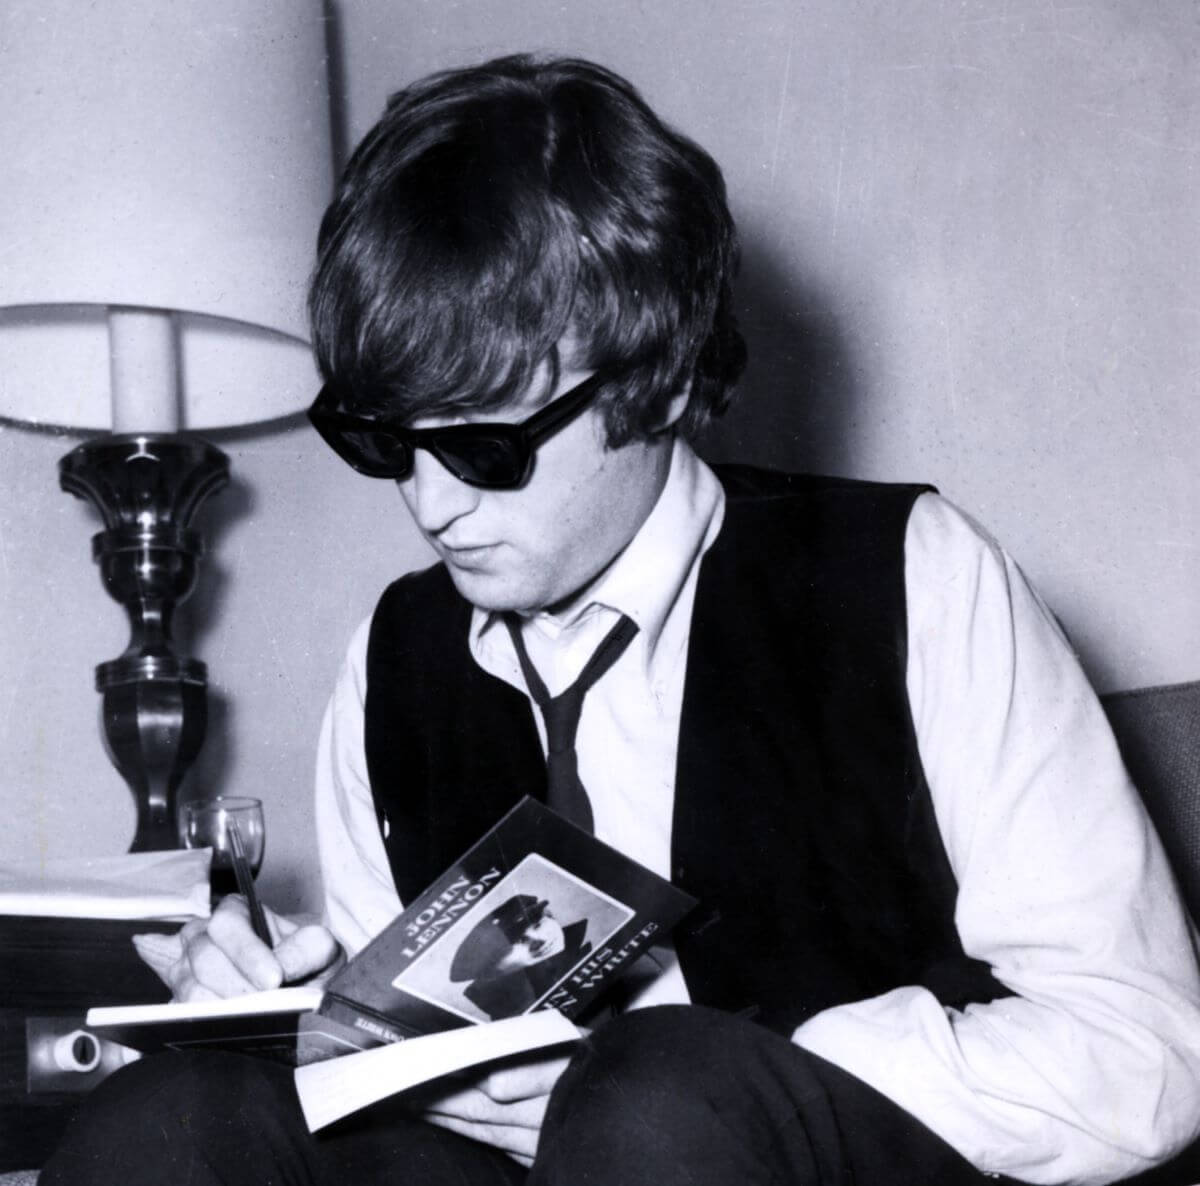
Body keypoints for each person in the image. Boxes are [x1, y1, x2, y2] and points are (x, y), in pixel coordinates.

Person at [44, 53, 1200, 1186]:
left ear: (651, 373)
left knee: (657, 1100)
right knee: (170, 1114)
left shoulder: (915, 580)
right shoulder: (395, 659)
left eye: (484, 446)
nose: (430, 505)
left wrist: (756, 1074)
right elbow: (399, 1090)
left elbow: (1147, 1054)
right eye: (385, 442)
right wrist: (289, 1017)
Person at [448, 896, 592, 1020]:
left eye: (537, 925)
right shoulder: (519, 1013)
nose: (540, 939)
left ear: (550, 915)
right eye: (522, 941)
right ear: (494, 972)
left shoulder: (580, 954)